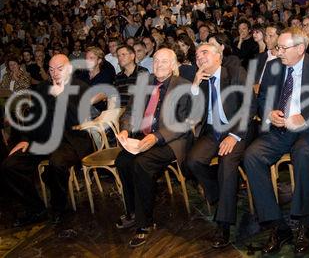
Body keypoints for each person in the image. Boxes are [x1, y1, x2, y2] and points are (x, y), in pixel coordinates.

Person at [244, 27, 309, 255]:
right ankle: (276, 225)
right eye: (277, 48)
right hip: (280, 129)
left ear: (300, 48)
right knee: (252, 156)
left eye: (283, 48)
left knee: (302, 154)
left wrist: (306, 117)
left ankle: (303, 223)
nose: (278, 52)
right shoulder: (273, 67)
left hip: (308, 130)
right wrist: (269, 113)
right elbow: (262, 98)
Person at [1, 54, 93, 226]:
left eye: (59, 69)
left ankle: (59, 208)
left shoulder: (80, 87)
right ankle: (36, 208)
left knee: (57, 163)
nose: (55, 73)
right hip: (42, 140)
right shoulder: (42, 88)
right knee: (10, 166)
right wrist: (25, 139)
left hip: (70, 140)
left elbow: (78, 120)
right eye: (51, 70)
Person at [115, 48, 192, 247]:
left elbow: (183, 124)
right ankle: (132, 211)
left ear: (173, 65)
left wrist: (156, 137)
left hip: (171, 140)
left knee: (142, 163)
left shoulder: (183, 86)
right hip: (143, 136)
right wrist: (125, 130)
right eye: (156, 61)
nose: (158, 65)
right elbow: (130, 112)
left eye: (164, 62)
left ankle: (145, 223)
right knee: (122, 161)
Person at [186, 43, 252, 248]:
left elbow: (250, 106)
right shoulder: (201, 81)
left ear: (218, 57)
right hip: (212, 132)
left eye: (204, 53)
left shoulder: (235, 73)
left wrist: (234, 135)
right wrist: (195, 87)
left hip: (237, 130)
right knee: (192, 162)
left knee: (226, 163)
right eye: (196, 56)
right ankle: (220, 195)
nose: (200, 58)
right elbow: (192, 115)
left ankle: (223, 224)